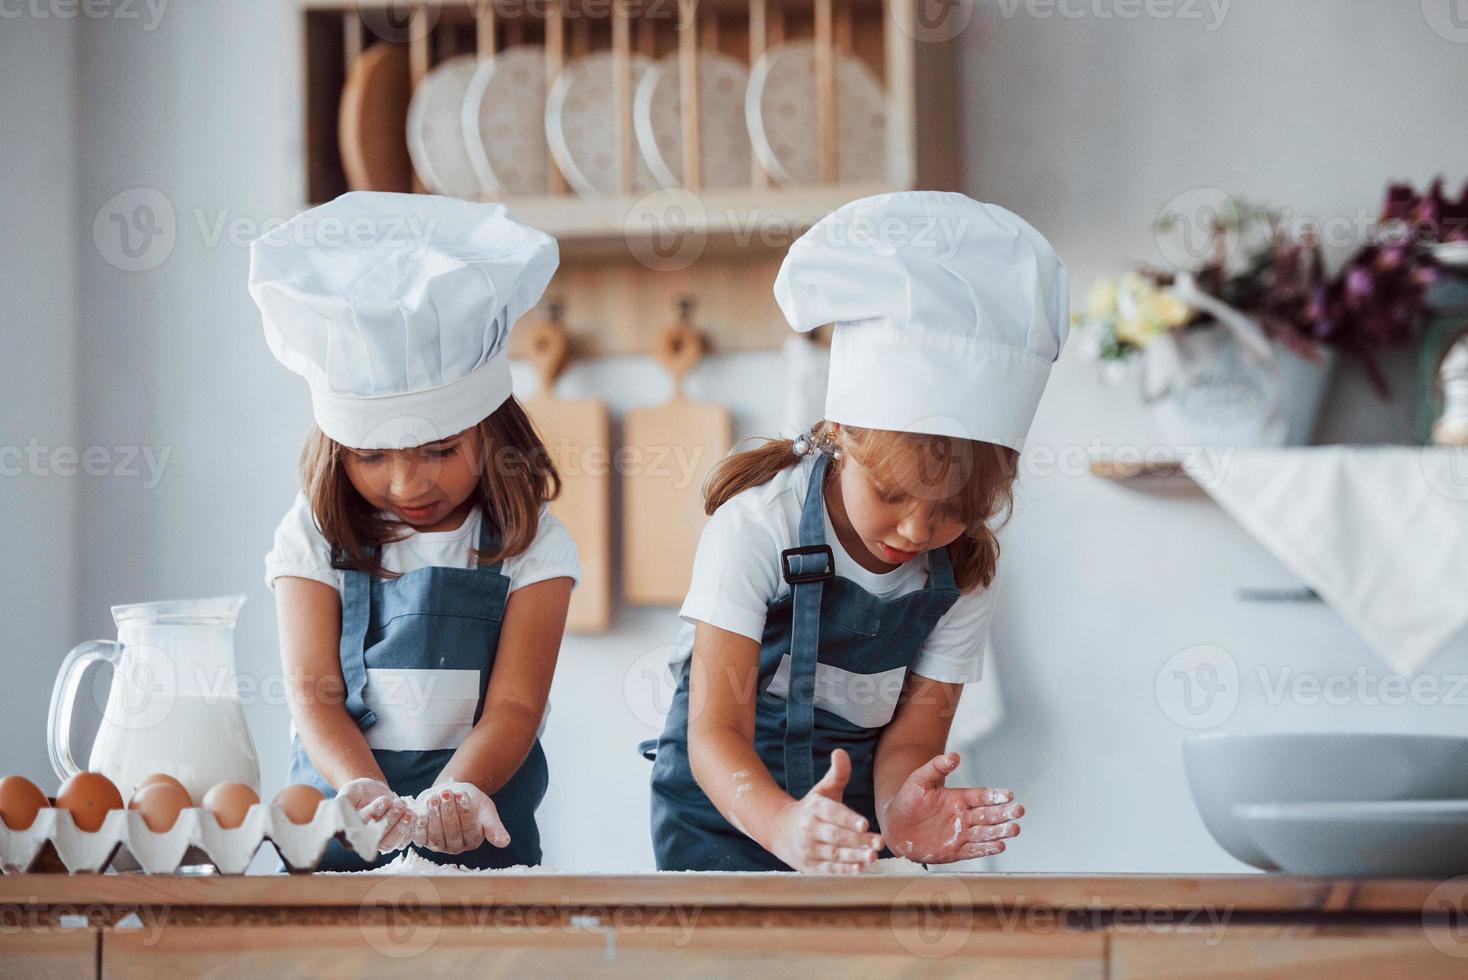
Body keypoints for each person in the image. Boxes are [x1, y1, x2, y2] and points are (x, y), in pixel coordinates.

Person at [645, 191, 1069, 872]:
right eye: (893, 493)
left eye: (954, 506)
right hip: (720, 820)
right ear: (840, 434)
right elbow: (715, 730)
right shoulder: (757, 527)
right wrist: (782, 825)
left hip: (850, 837)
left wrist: (903, 813)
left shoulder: (962, 574)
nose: (917, 527)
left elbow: (911, 739)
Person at [251, 192, 579, 870]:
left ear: (491, 432)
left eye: (438, 450)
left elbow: (515, 705)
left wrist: (457, 792)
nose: (407, 486)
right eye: (371, 456)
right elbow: (315, 695)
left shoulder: (534, 547)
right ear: (336, 449)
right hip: (336, 837)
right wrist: (360, 788)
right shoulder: (313, 534)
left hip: (478, 841)